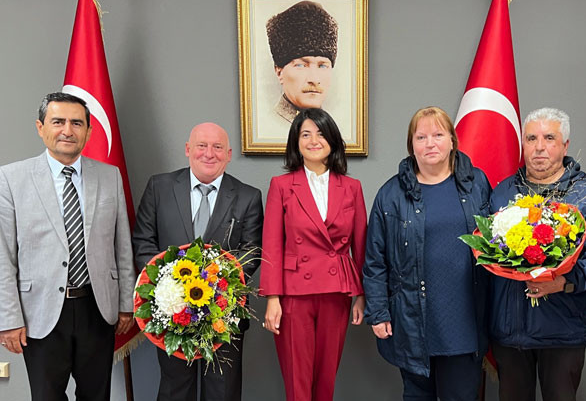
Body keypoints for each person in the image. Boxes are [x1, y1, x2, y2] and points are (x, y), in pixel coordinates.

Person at [0, 92, 135, 400]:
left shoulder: (109, 176)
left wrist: (126, 302)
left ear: (88, 131)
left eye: (77, 123)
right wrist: (8, 319)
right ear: (40, 127)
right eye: (58, 121)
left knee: (97, 395)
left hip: (97, 308)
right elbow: (3, 256)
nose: (67, 130)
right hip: (39, 313)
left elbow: (122, 246)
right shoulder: (10, 178)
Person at [489, 108, 586, 401]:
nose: (539, 147)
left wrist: (564, 281)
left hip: (562, 331)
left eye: (549, 138)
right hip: (509, 332)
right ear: (523, 144)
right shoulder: (501, 194)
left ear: (565, 145)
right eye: (531, 138)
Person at [363, 106, 491, 400]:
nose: (430, 143)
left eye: (438, 135)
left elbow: (497, 242)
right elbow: (375, 260)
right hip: (413, 323)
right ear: (411, 145)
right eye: (421, 137)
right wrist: (378, 312)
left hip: (465, 321)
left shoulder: (478, 184)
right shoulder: (391, 195)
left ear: (452, 141)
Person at [132, 122, 263, 401]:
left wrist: (216, 288)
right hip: (172, 314)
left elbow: (251, 252)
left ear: (228, 154)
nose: (209, 153)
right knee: (175, 392)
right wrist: (168, 287)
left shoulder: (249, 196)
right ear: (188, 149)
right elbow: (143, 242)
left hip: (224, 317)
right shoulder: (159, 187)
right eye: (201, 145)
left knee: (222, 393)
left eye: (218, 147)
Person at [260, 108, 366, 401]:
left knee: (326, 378)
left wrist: (362, 294)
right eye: (305, 134)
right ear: (296, 142)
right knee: (298, 380)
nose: (313, 140)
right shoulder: (281, 185)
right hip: (294, 293)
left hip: (337, 291)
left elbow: (361, 245)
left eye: (320, 133)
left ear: (332, 139)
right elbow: (272, 245)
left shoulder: (352, 187)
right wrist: (272, 298)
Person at [266, 0, 337, 124]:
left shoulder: (334, 126)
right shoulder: (267, 123)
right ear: (279, 72)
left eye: (322, 66)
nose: (314, 79)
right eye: (301, 65)